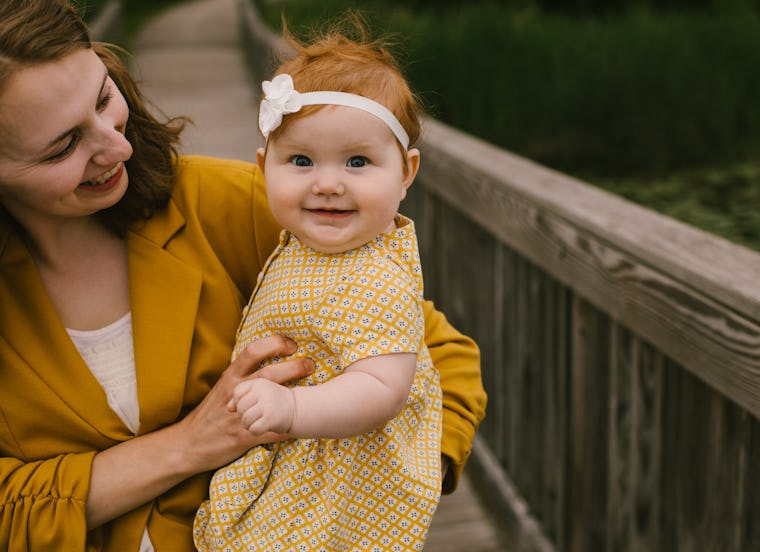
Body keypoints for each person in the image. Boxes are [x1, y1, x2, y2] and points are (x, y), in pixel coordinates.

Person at [0, 2, 487, 551]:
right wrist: (190, 445)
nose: (120, 146)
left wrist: (387, 490)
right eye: (63, 145)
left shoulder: (251, 206)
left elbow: (440, 356)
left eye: (103, 98)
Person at [193, 22, 443, 551]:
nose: (327, 183)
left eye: (358, 162)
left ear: (405, 173)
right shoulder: (302, 244)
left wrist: (292, 412)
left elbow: (381, 389)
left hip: (342, 474)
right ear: (264, 169)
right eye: (301, 161)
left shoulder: (379, 277)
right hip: (297, 459)